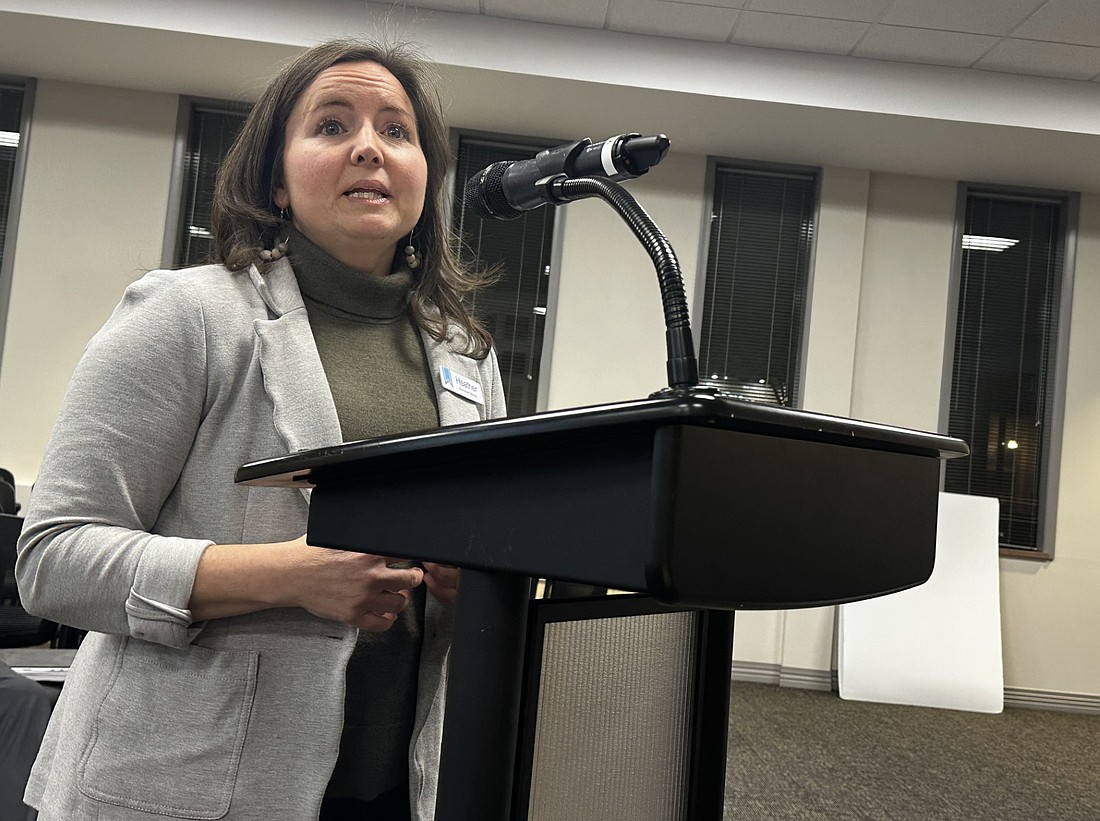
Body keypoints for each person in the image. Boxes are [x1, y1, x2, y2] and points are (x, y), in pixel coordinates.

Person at [15, 38, 505, 821]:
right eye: (332, 126)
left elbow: (485, 544)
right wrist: (292, 574)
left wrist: (476, 580)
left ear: (425, 178)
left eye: (397, 130)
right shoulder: (188, 316)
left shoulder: (465, 356)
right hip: (190, 782)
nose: (370, 148)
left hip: (400, 785)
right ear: (276, 181)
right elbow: (55, 558)